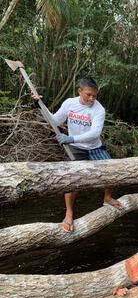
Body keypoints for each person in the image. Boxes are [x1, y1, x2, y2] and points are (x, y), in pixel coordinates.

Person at [33, 77, 123, 232]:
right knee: (72, 180)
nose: (92, 98)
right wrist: (40, 107)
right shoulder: (70, 103)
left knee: (113, 171)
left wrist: (70, 138)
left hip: (94, 147)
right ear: (79, 91)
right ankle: (69, 212)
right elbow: (55, 120)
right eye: (88, 94)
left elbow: (95, 133)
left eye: (94, 95)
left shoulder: (98, 109)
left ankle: (107, 198)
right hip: (75, 148)